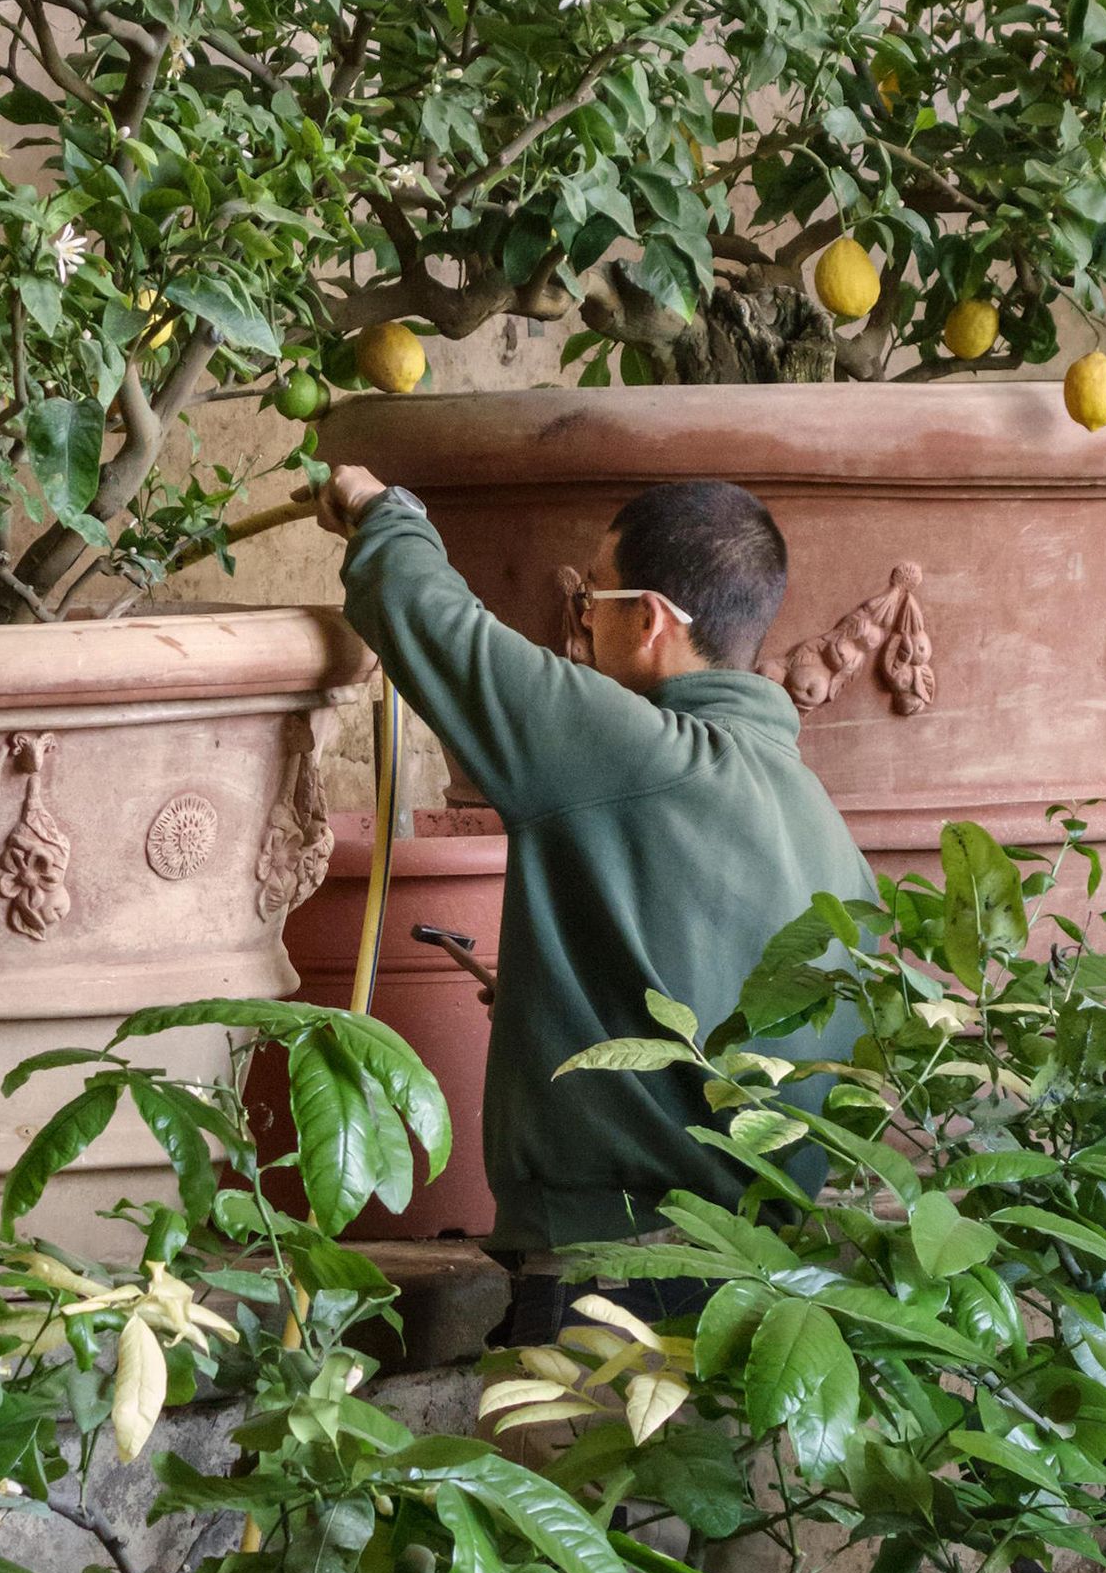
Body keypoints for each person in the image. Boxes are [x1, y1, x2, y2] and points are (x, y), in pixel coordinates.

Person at [317, 464, 872, 1345]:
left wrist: (386, 513)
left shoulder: (632, 752)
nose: (579, 625)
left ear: (648, 619)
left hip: (614, 1293)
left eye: (591, 603)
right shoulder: (824, 828)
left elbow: (435, 625)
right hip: (772, 1297)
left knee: (570, 1485)